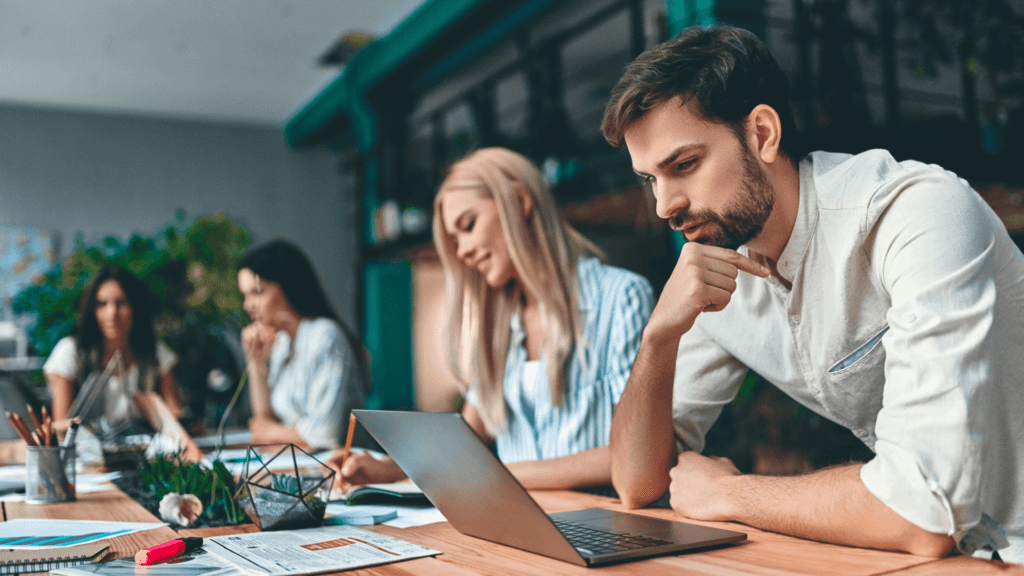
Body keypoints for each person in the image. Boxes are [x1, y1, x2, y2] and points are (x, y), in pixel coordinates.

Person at [601, 24, 1024, 562]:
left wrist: (730, 494)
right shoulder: (720, 266)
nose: (664, 205)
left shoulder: (915, 214)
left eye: (683, 166)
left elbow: (923, 510)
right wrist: (659, 337)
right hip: (942, 558)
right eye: (650, 180)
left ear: (762, 134)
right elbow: (637, 485)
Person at [331, 147, 653, 490]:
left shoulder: (622, 297)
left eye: (468, 226)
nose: (463, 251)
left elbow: (635, 455)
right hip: (516, 529)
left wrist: (494, 474)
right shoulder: (500, 326)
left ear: (520, 202)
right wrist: (387, 470)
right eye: (454, 240)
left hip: (600, 525)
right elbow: (465, 441)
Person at [237, 238, 370, 451]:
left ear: (287, 286)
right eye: (245, 295)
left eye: (257, 292)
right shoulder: (282, 343)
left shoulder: (325, 336)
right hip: (300, 464)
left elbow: (325, 434)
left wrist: (272, 432)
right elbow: (264, 419)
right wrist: (255, 363)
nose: (247, 305)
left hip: (340, 470)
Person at [44, 265, 185, 424]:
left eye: (121, 303)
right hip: (88, 448)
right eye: (102, 304)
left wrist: (188, 424)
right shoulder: (70, 351)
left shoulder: (154, 352)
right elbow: (61, 426)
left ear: (136, 307)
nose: (112, 313)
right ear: (92, 310)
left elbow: (175, 415)